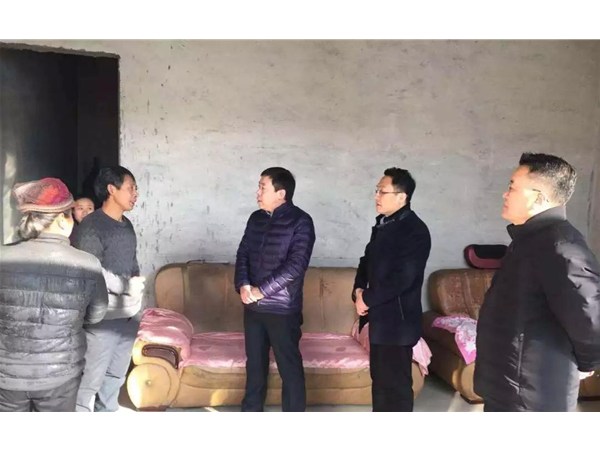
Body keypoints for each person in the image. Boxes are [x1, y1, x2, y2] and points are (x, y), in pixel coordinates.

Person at [474, 153, 600, 412]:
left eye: (512, 187)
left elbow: (590, 312)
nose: (505, 194)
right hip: (510, 383)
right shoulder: (530, 240)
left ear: (538, 198)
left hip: (532, 393)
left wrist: (589, 362)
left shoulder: (560, 245)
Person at [0, 178, 107, 411]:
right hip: (60, 376)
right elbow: (96, 315)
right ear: (61, 220)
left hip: (6, 376)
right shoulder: (87, 263)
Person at [234, 167, 316, 412]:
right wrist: (243, 285)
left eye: (262, 187)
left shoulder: (301, 221)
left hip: (282, 309)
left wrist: (261, 291)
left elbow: (296, 266)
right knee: (255, 365)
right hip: (253, 307)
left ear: (281, 193)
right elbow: (243, 253)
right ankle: (251, 411)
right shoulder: (256, 218)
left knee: (289, 367)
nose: (257, 192)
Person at [352, 167, 431, 412]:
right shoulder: (384, 224)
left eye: (382, 191)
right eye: (376, 190)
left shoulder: (414, 230)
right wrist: (358, 291)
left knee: (396, 388)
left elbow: (403, 278)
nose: (376, 196)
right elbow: (366, 261)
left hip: (398, 323)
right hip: (379, 320)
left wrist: (367, 299)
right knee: (380, 383)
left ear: (401, 197)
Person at [70, 166, 145, 412]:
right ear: (112, 189)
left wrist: (136, 292)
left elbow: (132, 263)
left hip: (128, 315)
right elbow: (92, 271)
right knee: (89, 382)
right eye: (131, 188)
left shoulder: (126, 225)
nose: (135, 193)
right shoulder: (92, 226)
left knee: (115, 377)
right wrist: (127, 287)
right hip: (102, 318)